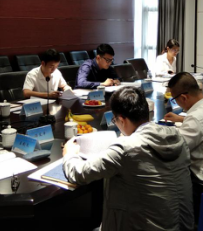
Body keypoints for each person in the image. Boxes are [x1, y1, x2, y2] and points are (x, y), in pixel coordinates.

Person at [63, 87, 193, 231]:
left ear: (122, 120)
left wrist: (70, 153)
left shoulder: (126, 148)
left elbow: (78, 173)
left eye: (115, 120)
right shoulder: (177, 137)